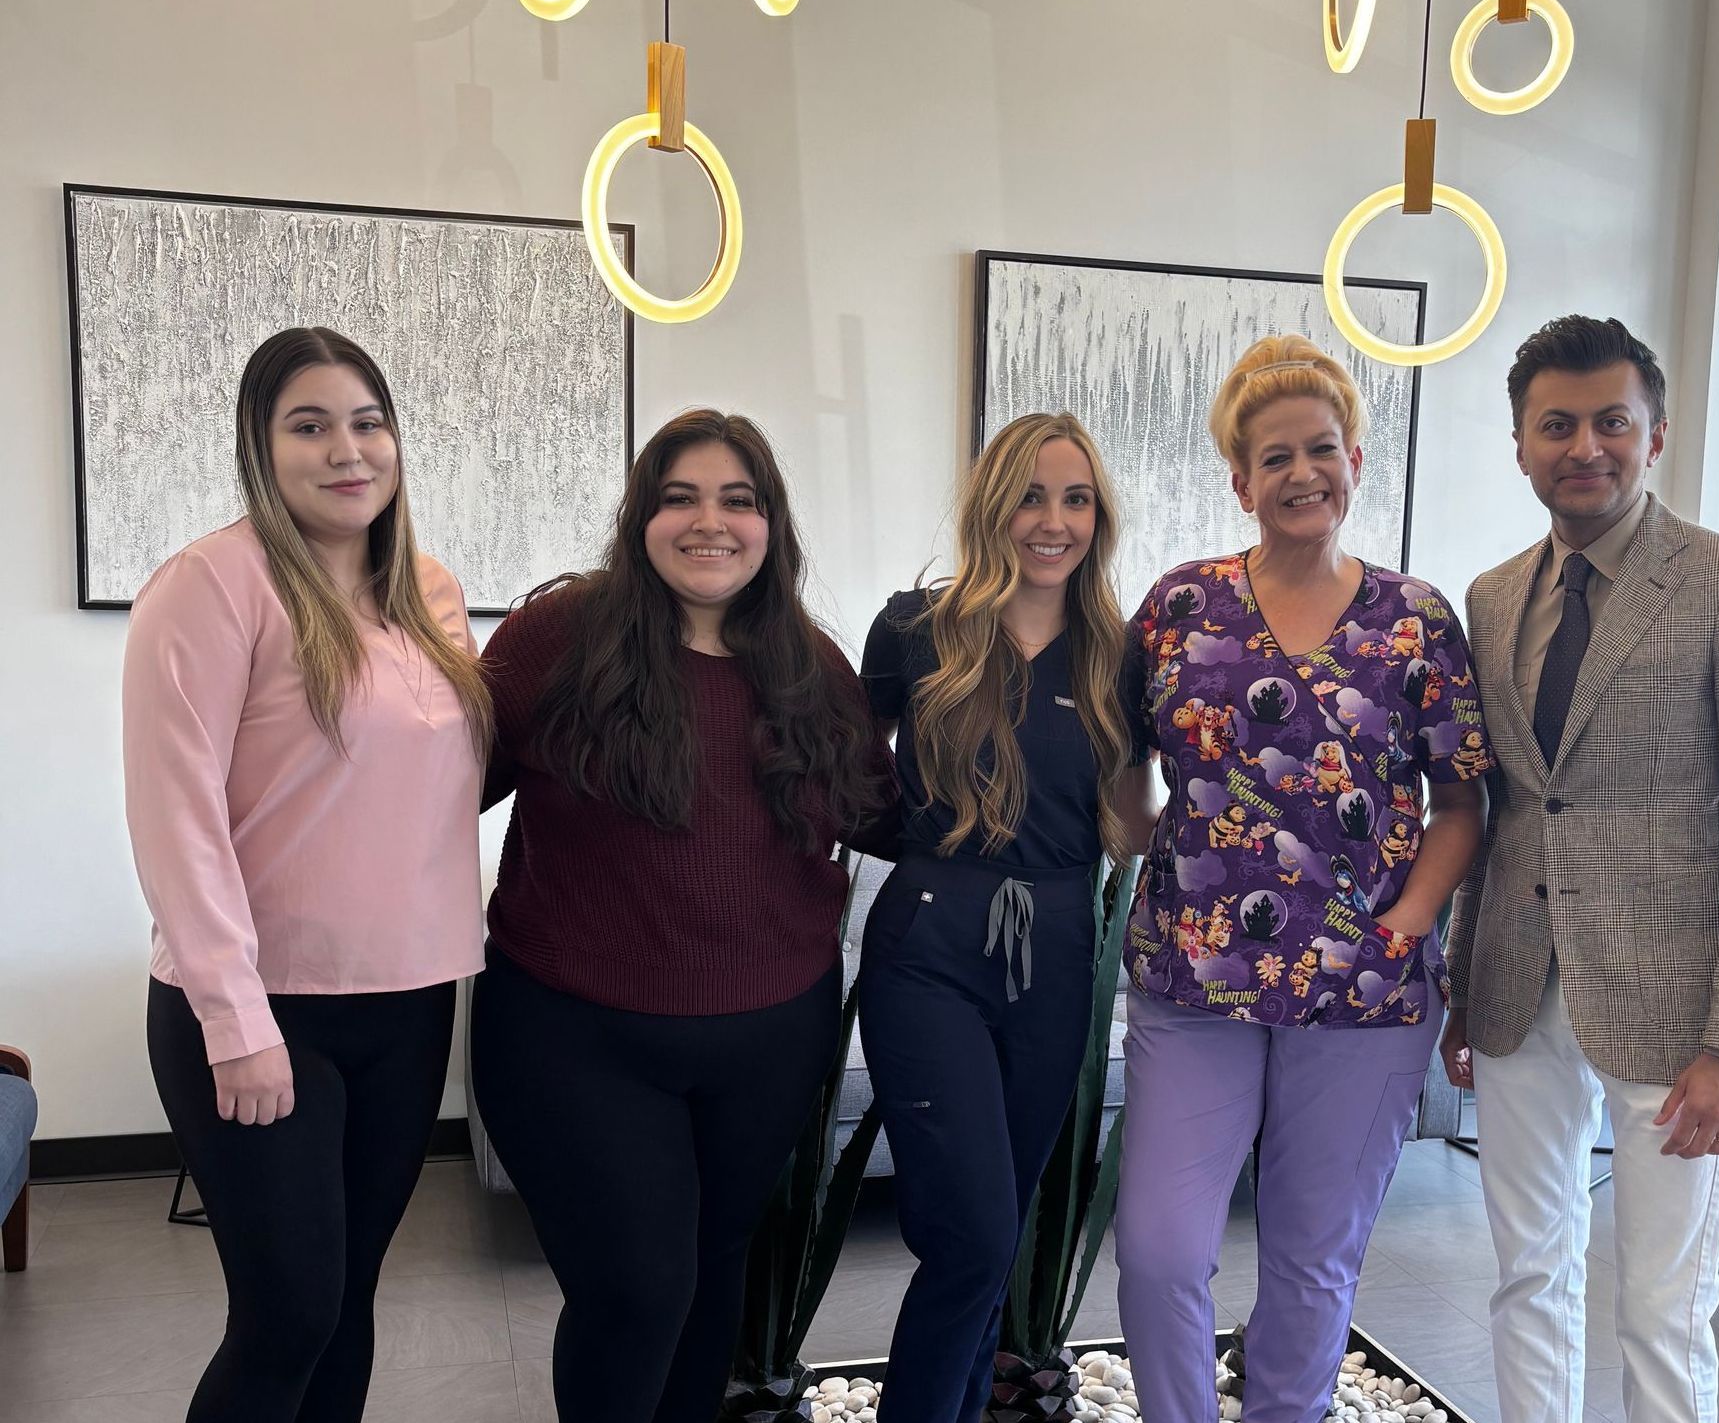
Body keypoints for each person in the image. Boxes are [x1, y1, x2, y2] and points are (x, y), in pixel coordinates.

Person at [1440, 315, 1719, 1423]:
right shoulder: (1490, 595)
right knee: (1526, 1277)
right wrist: (1465, 992)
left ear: (1651, 434)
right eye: (1554, 425)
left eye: (1609, 421)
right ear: (1518, 444)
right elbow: (1509, 810)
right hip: (1519, 992)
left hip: (1680, 1017)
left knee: (1661, 1306)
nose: (1583, 447)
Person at [469, 408, 895, 1423]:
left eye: (737, 500)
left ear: (769, 523)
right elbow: (428, 789)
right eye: (680, 497)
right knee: (635, 1291)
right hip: (573, 1037)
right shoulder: (557, 639)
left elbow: (883, 819)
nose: (710, 522)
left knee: (712, 1275)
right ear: (642, 517)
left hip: (769, 1037)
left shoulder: (811, 665)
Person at [1113, 334, 1492, 1423]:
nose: (1298, 474)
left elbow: (1460, 801)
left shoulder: (1413, 619)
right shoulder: (1177, 606)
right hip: (1194, 989)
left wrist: (1404, 925)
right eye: (1271, 458)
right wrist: (1137, 835)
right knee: (1158, 1253)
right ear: (1238, 481)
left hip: (1363, 993)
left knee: (1311, 1263)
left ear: (1355, 462)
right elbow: (1115, 756)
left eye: (1318, 450)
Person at [124, 327, 492, 1423]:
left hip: (411, 997)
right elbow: (174, 821)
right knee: (286, 1314)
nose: (348, 449)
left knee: (348, 1303)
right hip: (259, 1011)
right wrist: (234, 1023)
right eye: (310, 424)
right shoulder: (209, 586)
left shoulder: (429, 589)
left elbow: (436, 781)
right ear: (262, 446)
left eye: (368, 422)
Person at [858, 412, 1152, 1423]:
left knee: (1001, 1229)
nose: (1052, 520)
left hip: (1062, 952)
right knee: (972, 1237)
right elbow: (841, 781)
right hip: (931, 945)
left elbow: (1127, 813)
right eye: (1031, 494)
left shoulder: (1121, 655)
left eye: (1074, 499)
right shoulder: (913, 630)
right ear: (993, 506)